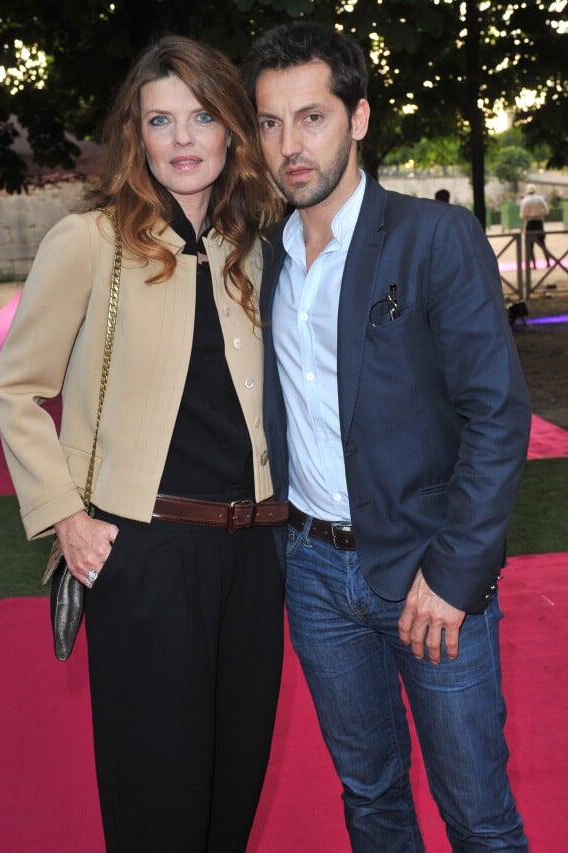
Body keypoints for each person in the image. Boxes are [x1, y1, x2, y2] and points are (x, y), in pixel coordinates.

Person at [0, 34, 287, 852]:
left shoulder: (252, 250)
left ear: (231, 128)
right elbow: (17, 387)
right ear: (138, 136)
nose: (184, 139)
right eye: (162, 120)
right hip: (145, 555)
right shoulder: (90, 243)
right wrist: (65, 518)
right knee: (158, 802)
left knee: (234, 789)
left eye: (201, 116)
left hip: (256, 555)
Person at [243, 21, 531, 850]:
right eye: (269, 122)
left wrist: (456, 573)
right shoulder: (264, 257)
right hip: (313, 576)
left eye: (312, 117)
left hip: (428, 575)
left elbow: (497, 414)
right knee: (369, 798)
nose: (289, 145)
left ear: (358, 118)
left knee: (477, 814)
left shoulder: (433, 237)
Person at [520, 183, 552, 268]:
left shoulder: (524, 200)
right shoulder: (540, 199)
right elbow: (546, 211)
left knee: (530, 246)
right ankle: (548, 262)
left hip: (529, 223)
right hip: (539, 223)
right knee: (542, 244)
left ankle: (534, 265)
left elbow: (522, 215)